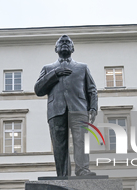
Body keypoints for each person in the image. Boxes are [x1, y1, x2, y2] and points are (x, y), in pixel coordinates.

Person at [34, 35, 98, 177]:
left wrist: (93, 107)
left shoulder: (82, 67)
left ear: (73, 48)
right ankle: (63, 175)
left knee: (81, 141)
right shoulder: (48, 68)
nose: (64, 43)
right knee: (59, 145)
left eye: (68, 42)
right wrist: (54, 74)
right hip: (56, 111)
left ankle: (83, 171)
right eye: (61, 42)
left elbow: (92, 89)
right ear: (55, 48)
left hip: (79, 108)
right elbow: (38, 90)